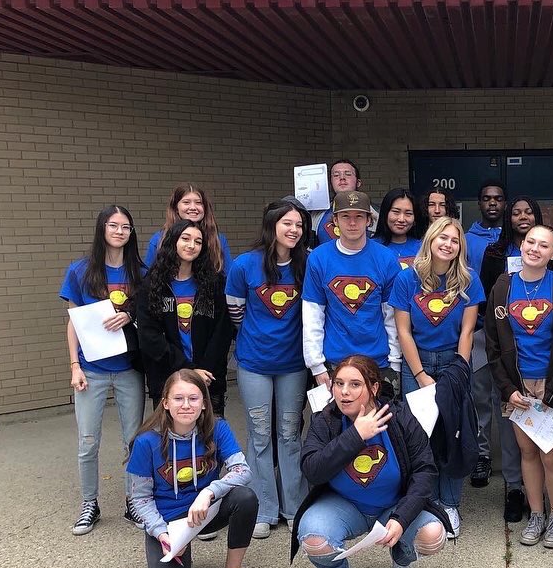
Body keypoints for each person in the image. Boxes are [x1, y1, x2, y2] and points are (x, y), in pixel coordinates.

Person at [294, 355, 449, 568]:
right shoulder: (325, 420)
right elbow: (312, 469)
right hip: (345, 506)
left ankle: (401, 560)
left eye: (355, 384)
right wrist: (356, 435)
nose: (344, 392)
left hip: (392, 505)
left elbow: (425, 471)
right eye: (339, 383)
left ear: (374, 387)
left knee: (432, 535)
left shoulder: (399, 417)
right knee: (313, 537)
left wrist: (401, 518)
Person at [126, 369, 266, 568]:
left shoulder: (217, 428)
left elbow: (242, 470)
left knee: (245, 498)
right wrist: (161, 534)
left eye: (193, 398)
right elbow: (139, 498)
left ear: (203, 404)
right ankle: (180, 552)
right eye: (178, 398)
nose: (186, 405)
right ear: (165, 403)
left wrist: (209, 492)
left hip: (205, 511)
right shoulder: (146, 441)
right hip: (168, 523)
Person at [486, 224, 553, 549]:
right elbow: (493, 344)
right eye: (530, 242)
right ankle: (536, 514)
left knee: (551, 455)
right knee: (527, 452)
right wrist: (507, 388)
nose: (535, 249)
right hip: (518, 385)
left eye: (543, 245)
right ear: (522, 245)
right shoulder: (503, 286)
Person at [392, 217, 483, 536]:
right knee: (420, 437)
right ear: (430, 240)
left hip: (452, 362)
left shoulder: (469, 280)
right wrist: (419, 374)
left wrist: (458, 371)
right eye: (442, 237)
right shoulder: (407, 279)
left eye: (455, 240)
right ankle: (425, 504)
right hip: (415, 362)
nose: (448, 244)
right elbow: (403, 331)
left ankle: (450, 504)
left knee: (452, 434)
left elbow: (467, 332)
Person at [226, 199, 312, 539]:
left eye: (299, 224)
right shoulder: (244, 265)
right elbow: (236, 313)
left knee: (289, 434)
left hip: (293, 364)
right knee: (259, 435)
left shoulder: (307, 263)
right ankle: (263, 508)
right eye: (287, 223)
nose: (294, 230)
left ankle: (294, 507)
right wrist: (258, 337)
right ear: (271, 225)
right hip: (254, 364)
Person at [61, 205, 147, 535]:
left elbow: (148, 315)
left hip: (128, 368)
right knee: (87, 441)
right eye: (113, 225)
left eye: (126, 227)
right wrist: (74, 365)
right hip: (91, 369)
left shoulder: (140, 271)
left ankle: (133, 502)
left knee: (133, 441)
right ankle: (89, 504)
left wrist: (130, 315)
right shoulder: (81, 270)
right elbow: (73, 322)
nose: (119, 231)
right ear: (102, 228)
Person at [303, 190, 402, 395]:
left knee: (380, 416)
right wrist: (316, 365)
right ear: (335, 220)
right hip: (335, 362)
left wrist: (395, 360)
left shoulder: (386, 258)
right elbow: (313, 314)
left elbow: (392, 315)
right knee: (336, 417)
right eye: (345, 216)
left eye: (359, 216)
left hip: (379, 361)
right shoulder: (319, 258)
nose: (352, 223)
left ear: (369, 220)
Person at [137, 220, 233, 415]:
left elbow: (222, 332)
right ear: (173, 241)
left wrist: (203, 371)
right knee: (171, 432)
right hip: (167, 378)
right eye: (186, 239)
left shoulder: (214, 283)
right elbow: (150, 337)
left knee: (210, 432)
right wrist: (188, 370)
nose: (192, 245)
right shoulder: (152, 284)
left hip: (208, 377)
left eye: (198, 241)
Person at [467, 181, 509, 489]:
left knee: (506, 397)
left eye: (498, 198)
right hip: (480, 327)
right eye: (486, 198)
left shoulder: (515, 240)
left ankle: (512, 459)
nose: (492, 203)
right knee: (480, 396)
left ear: (505, 203)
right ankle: (482, 454)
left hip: (512, 332)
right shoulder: (467, 240)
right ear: (479, 203)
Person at [480, 195, 553, 297]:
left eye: (529, 213)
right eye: (516, 213)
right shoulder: (495, 253)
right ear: (508, 219)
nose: (523, 217)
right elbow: (488, 293)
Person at [146, 184, 231, 274]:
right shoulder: (159, 239)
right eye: (186, 202)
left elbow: (229, 275)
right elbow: (147, 276)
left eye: (198, 202)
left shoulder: (217, 239)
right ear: (176, 208)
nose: (193, 208)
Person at [315, 159, 380, 244]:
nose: (342, 178)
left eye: (348, 174)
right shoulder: (317, 214)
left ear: (358, 182)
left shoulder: (377, 214)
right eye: (336, 175)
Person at [375, 188, 427, 269]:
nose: (401, 219)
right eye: (396, 212)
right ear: (385, 213)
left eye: (408, 213)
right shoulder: (370, 247)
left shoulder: (423, 248)